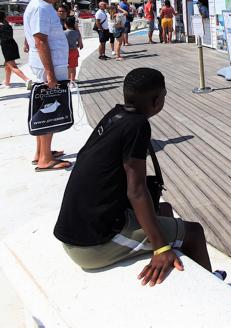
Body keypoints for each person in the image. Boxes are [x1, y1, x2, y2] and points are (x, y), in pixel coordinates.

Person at [54, 67, 214, 283]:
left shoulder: (116, 115)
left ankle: (196, 274)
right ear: (156, 100)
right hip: (92, 244)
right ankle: (213, 288)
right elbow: (136, 190)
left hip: (77, 229)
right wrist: (161, 247)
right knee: (194, 233)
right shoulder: (138, 125)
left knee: (164, 209)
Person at [25, 0, 73, 172]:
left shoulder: (41, 7)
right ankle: (45, 159)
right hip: (48, 67)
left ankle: (42, 152)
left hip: (48, 65)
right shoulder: (40, 8)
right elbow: (40, 40)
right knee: (49, 108)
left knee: (45, 107)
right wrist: (50, 73)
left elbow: (34, 39)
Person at [0, 11, 31, 87]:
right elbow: (5, 35)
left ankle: (26, 79)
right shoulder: (8, 25)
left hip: (6, 46)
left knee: (12, 66)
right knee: (7, 64)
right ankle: (7, 83)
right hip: (13, 44)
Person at [65, 16, 84, 81]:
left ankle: (67, 80)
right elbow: (79, 44)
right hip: (74, 51)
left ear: (65, 24)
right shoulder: (76, 33)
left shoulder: (63, 33)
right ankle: (72, 80)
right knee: (73, 67)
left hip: (66, 52)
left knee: (67, 67)